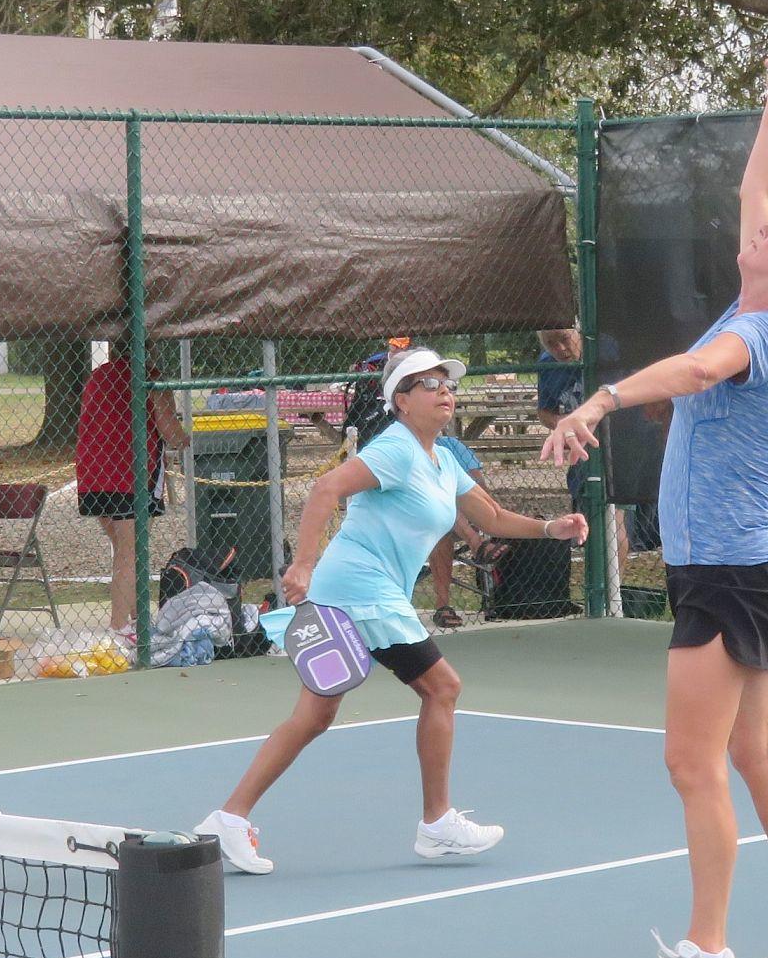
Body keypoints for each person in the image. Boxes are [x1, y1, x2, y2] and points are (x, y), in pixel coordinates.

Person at [544, 36, 768, 958]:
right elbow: (761, 181)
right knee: (754, 752)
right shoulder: (763, 301)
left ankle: (708, 953)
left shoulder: (757, 333)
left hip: (724, 576)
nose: (762, 226)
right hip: (746, 569)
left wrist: (600, 400)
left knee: (692, 762)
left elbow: (691, 370)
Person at [196, 346, 587, 873]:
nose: (444, 392)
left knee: (314, 716)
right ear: (401, 401)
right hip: (361, 589)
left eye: (448, 384)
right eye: (430, 384)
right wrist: (303, 564)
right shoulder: (396, 450)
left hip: (359, 592)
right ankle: (437, 823)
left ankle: (228, 819)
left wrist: (549, 528)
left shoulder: (444, 458)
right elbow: (326, 488)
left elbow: (491, 515)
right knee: (442, 687)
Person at [76, 340, 190, 637]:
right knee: (130, 552)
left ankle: (138, 619)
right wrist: (183, 438)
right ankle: (119, 628)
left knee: (126, 549)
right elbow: (168, 429)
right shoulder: (151, 378)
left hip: (94, 474)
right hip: (131, 474)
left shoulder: (99, 375)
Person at [537, 327, 629, 574]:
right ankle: (597, 585)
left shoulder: (606, 349)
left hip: (615, 445)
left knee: (615, 519)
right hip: (580, 452)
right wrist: (566, 423)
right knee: (589, 521)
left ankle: (614, 588)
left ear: (578, 331)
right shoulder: (547, 364)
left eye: (564, 339)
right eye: (551, 343)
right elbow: (544, 412)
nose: (560, 349)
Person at [428, 431, 509, 629]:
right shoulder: (396, 443)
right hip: (415, 518)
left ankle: (477, 544)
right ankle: (478, 546)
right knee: (440, 513)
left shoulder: (450, 445)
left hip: (458, 516)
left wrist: (474, 505)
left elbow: (479, 486)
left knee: (449, 503)